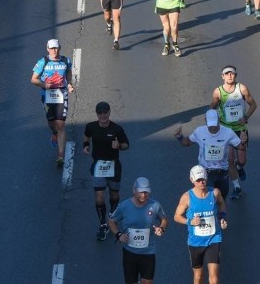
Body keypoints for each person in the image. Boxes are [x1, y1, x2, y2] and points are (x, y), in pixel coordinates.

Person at [84, 101, 130, 241]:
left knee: (114, 194)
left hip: (113, 164)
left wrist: (119, 146)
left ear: (109, 112)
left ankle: (112, 213)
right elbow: (86, 136)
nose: (103, 115)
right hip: (98, 165)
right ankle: (103, 224)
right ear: (97, 114)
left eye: (105, 112)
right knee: (99, 195)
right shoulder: (91, 126)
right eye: (100, 113)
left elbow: (127, 145)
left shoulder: (116, 129)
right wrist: (86, 146)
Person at [173, 166, 229, 284]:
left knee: (214, 278)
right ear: (191, 180)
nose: (201, 182)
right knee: (198, 276)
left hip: (214, 238)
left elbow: (222, 203)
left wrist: (222, 217)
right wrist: (190, 221)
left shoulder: (214, 193)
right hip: (195, 241)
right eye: (198, 180)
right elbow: (176, 217)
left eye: (203, 179)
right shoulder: (187, 197)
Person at [108, 177, 168, 284]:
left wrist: (162, 228)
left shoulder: (154, 205)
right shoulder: (124, 206)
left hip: (148, 252)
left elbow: (164, 219)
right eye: (141, 192)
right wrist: (119, 235)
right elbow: (111, 221)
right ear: (134, 190)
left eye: (146, 192)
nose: (144, 195)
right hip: (130, 253)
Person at [175, 109, 246, 200]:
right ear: (205, 121)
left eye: (215, 124)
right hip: (206, 173)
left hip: (222, 171)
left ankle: (221, 214)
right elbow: (187, 143)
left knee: (222, 198)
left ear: (219, 120)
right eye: (210, 125)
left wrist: (243, 142)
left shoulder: (228, 132)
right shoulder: (199, 131)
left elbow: (241, 147)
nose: (213, 127)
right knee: (210, 199)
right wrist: (179, 137)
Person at [210, 66, 258, 199]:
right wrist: (216, 119)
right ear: (223, 76)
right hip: (225, 130)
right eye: (227, 74)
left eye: (232, 74)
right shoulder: (218, 92)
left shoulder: (242, 89)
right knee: (229, 159)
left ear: (235, 75)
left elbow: (253, 105)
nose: (230, 76)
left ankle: (240, 166)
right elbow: (212, 109)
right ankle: (237, 187)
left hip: (240, 129)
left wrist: (246, 117)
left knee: (242, 160)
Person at [31, 39, 74, 165]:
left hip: (61, 94)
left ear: (59, 48)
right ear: (47, 48)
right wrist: (45, 85)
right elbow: (33, 79)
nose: (54, 51)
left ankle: (60, 155)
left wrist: (70, 84)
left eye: (56, 48)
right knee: (52, 122)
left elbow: (68, 73)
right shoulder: (42, 62)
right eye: (52, 48)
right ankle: (54, 132)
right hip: (47, 95)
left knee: (60, 124)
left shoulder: (66, 60)